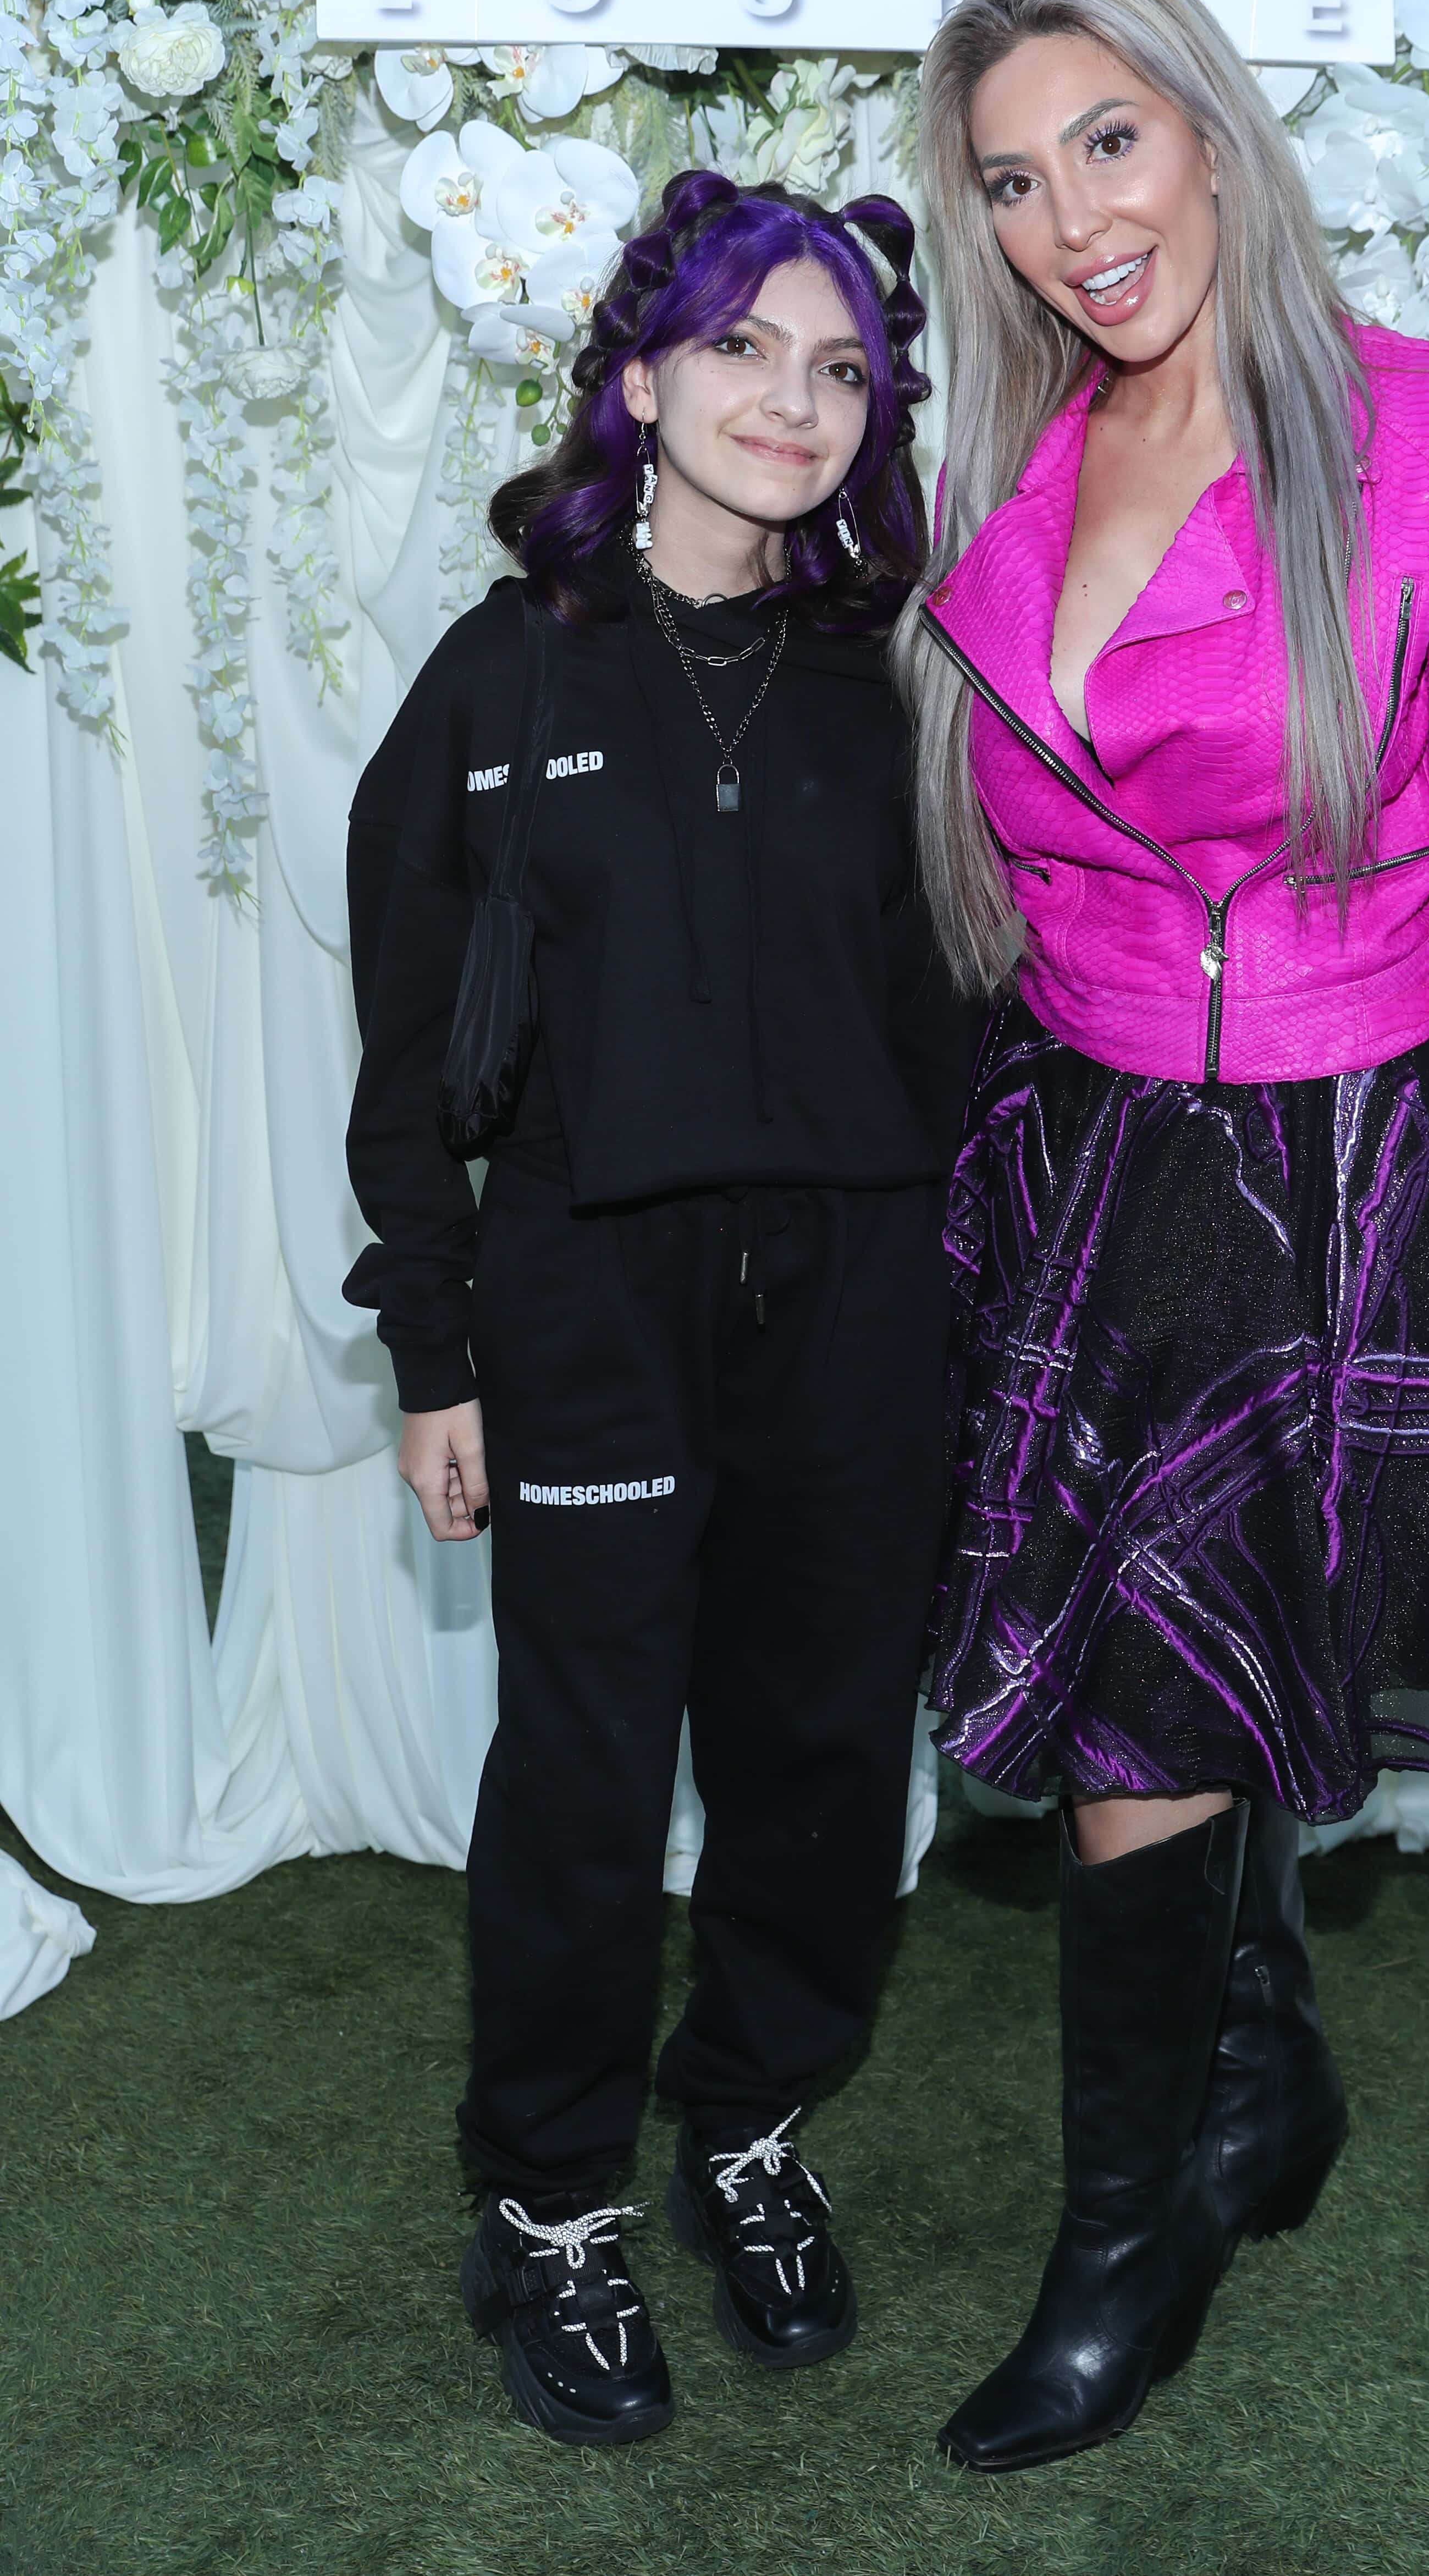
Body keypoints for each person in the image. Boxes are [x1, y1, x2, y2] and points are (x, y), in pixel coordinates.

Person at [893, 0, 1429, 2474]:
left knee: (1143, 1703)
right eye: (1011, 181)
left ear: (1214, 130)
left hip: (1333, 1159)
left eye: (1106, 143)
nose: (1067, 220)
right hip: (1091, 1149)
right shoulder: (1003, 468)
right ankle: (1250, 2085)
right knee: (1168, 1684)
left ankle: (1132, 2232)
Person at [343, 171, 972, 2447]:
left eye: (837, 370)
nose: (792, 404)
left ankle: (749, 2124)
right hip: (587, 1297)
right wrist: (436, 1339)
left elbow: (957, 1026)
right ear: (637, 378)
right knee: (592, 1780)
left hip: (856, 1300)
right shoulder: (502, 672)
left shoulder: (884, 687)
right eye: (740, 352)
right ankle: (545, 2205)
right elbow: (410, 1044)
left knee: (820, 1757)